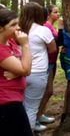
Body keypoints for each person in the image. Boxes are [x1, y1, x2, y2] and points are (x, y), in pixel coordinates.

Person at [20, 2, 57, 133]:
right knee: (32, 108)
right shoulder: (43, 30)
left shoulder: (18, 30)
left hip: (20, 71)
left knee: (22, 105)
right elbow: (53, 49)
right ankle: (29, 131)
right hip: (38, 73)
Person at [0, 8, 33, 136]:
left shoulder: (11, 42)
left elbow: (28, 62)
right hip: (6, 103)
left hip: (15, 98)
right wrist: (25, 45)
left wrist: (18, 72)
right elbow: (26, 68)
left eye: (18, 23)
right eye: (13, 25)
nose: (18, 27)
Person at [37, 5, 61, 127]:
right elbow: (54, 44)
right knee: (47, 90)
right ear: (49, 14)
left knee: (48, 91)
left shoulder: (51, 26)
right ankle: (36, 117)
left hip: (52, 61)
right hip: (47, 62)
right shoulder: (46, 26)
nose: (58, 14)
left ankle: (40, 114)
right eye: (55, 12)